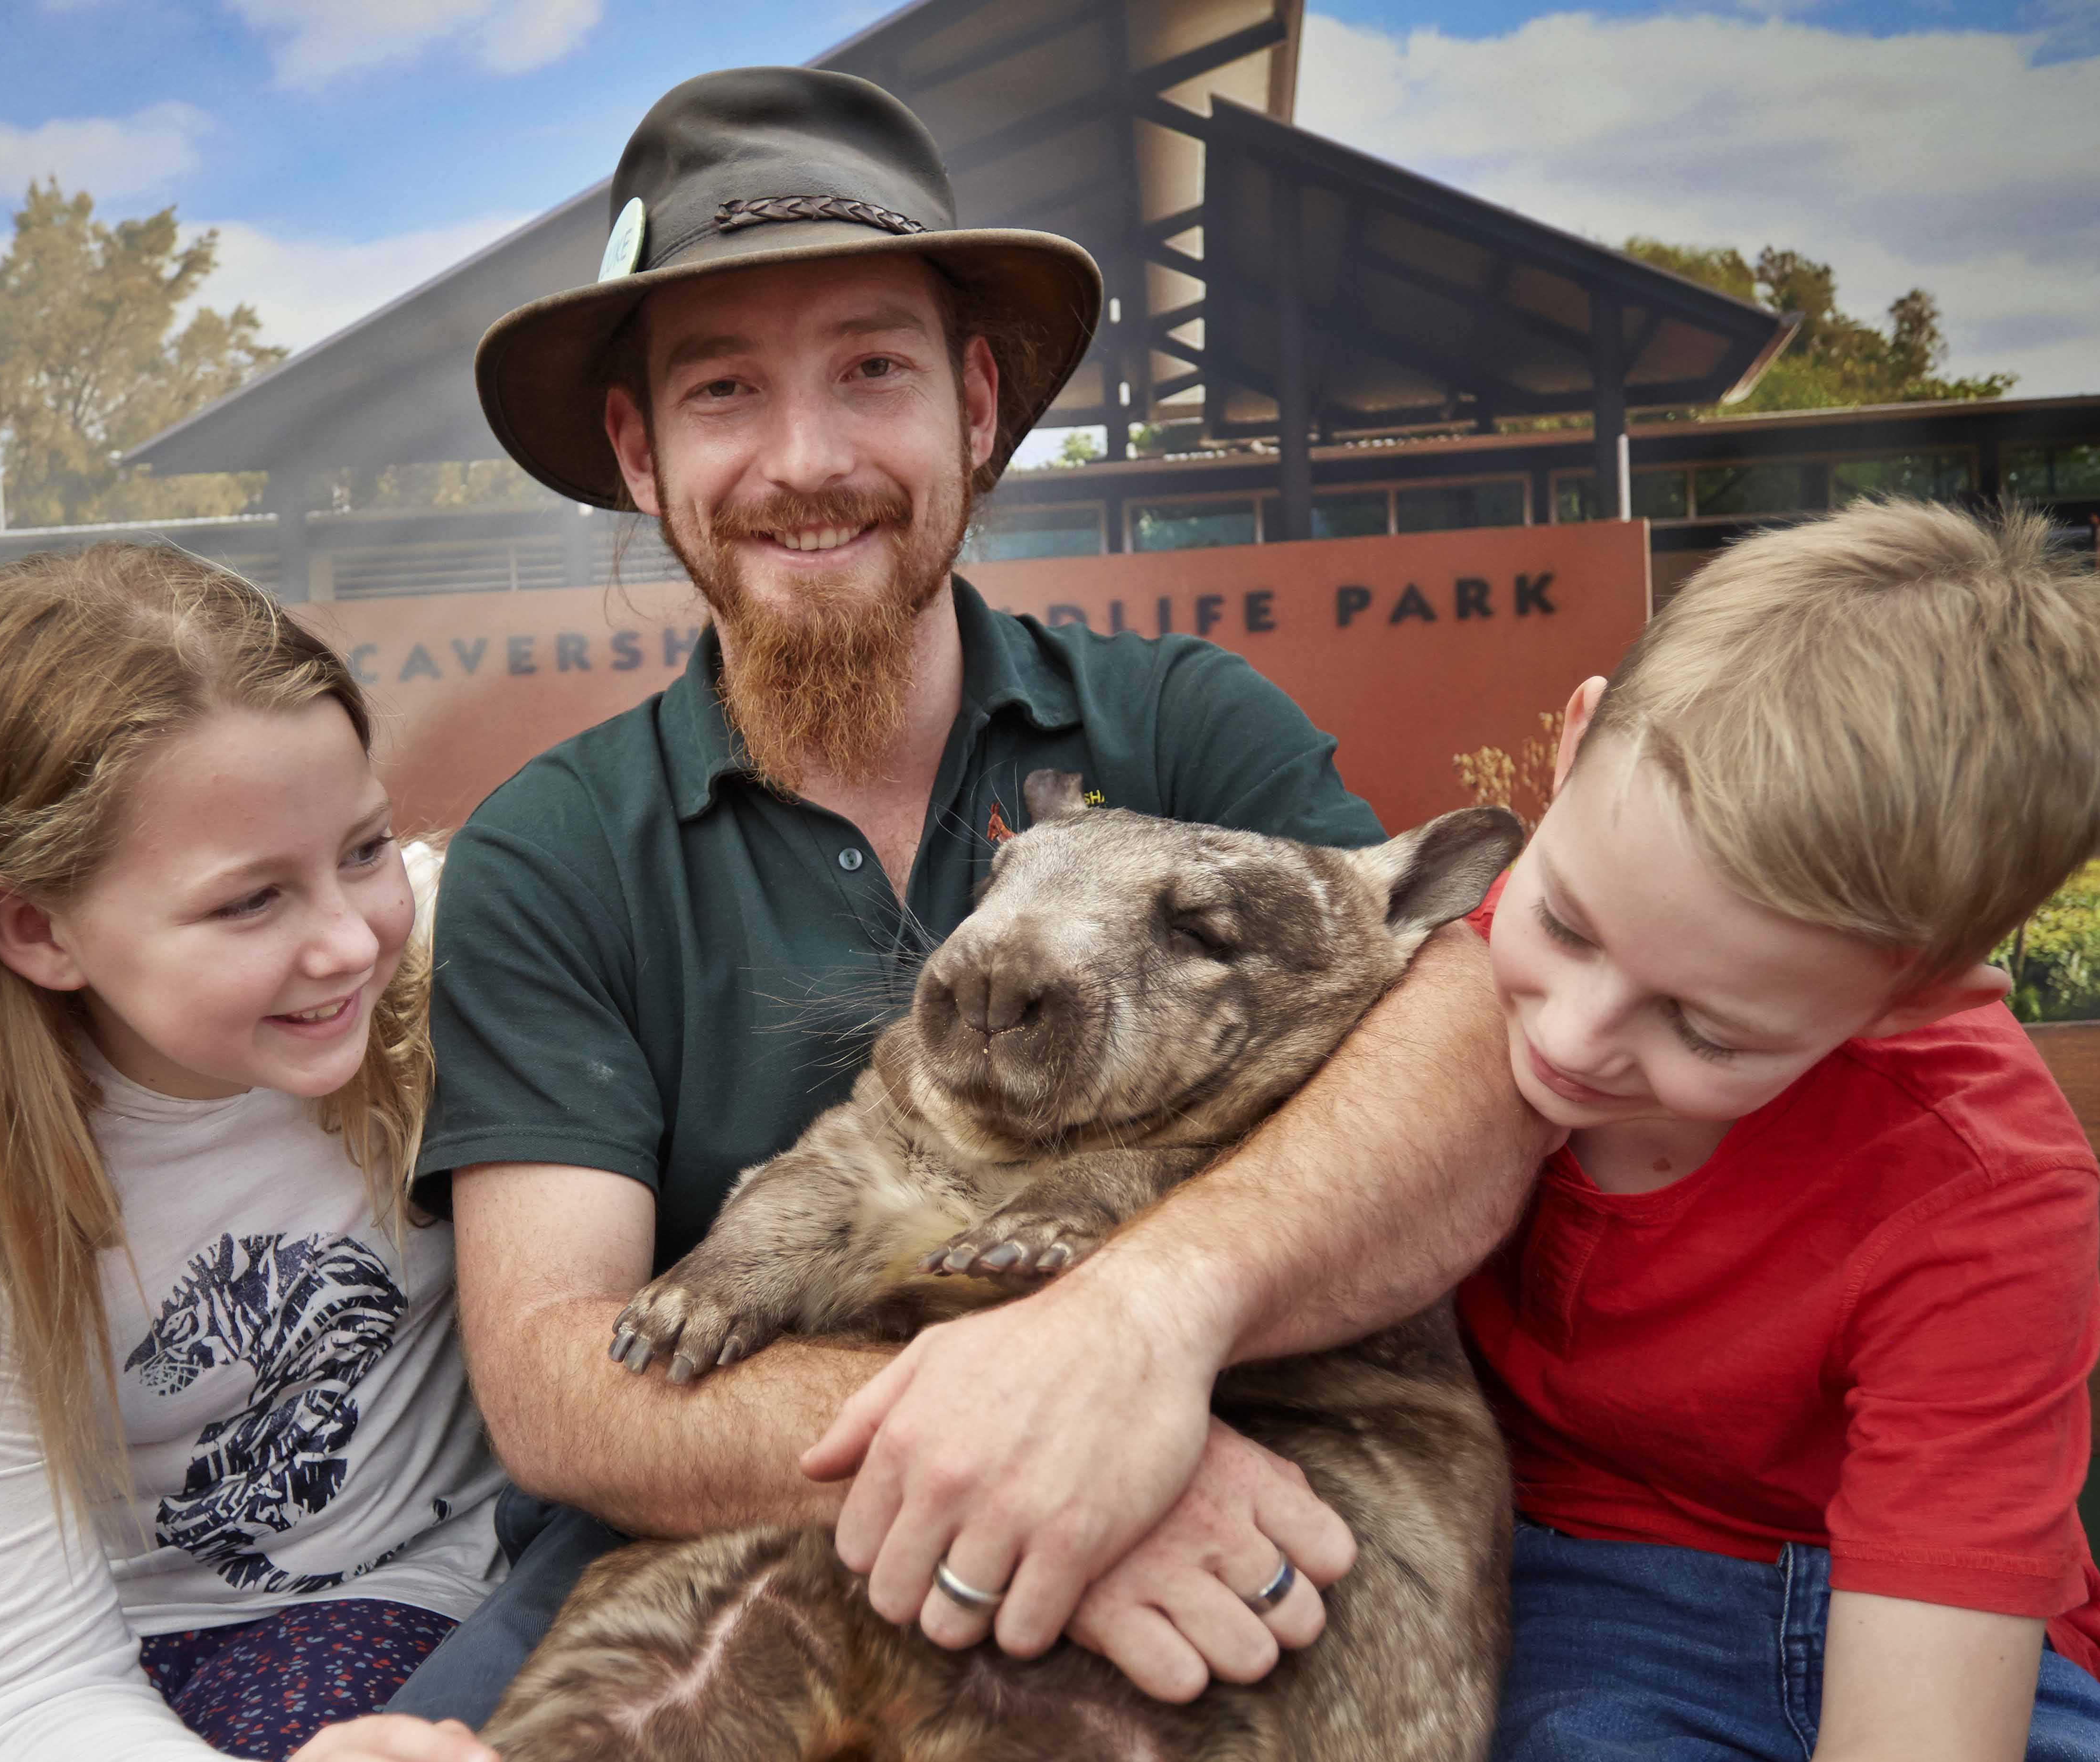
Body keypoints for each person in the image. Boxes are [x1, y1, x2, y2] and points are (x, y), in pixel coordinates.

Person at [381, 66, 1549, 1724]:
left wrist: (1133, 1341)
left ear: (977, 406)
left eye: (872, 369)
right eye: (724, 392)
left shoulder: (1182, 727)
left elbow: (1460, 1080)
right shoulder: (557, 851)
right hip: (699, 1547)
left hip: (1223, 1471)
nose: (807, 459)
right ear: (640, 453)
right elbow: (574, 1389)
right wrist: (1002, 1450)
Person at [0, 543, 507, 1762]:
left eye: (363, 850)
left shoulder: (440, 976)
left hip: (380, 1599)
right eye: (248, 901)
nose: (348, 940)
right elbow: (29, 1686)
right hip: (65, 1662)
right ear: (37, 928)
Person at [1456, 500, 2100, 1758]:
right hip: (1588, 1598)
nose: (1568, 1040)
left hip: (1950, 1625)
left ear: (1908, 1004)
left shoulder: (1982, 1181)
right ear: (1569, 750)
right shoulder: (1436, 965)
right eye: (1563, 926)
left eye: (1707, 1031)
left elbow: (1930, 1717)